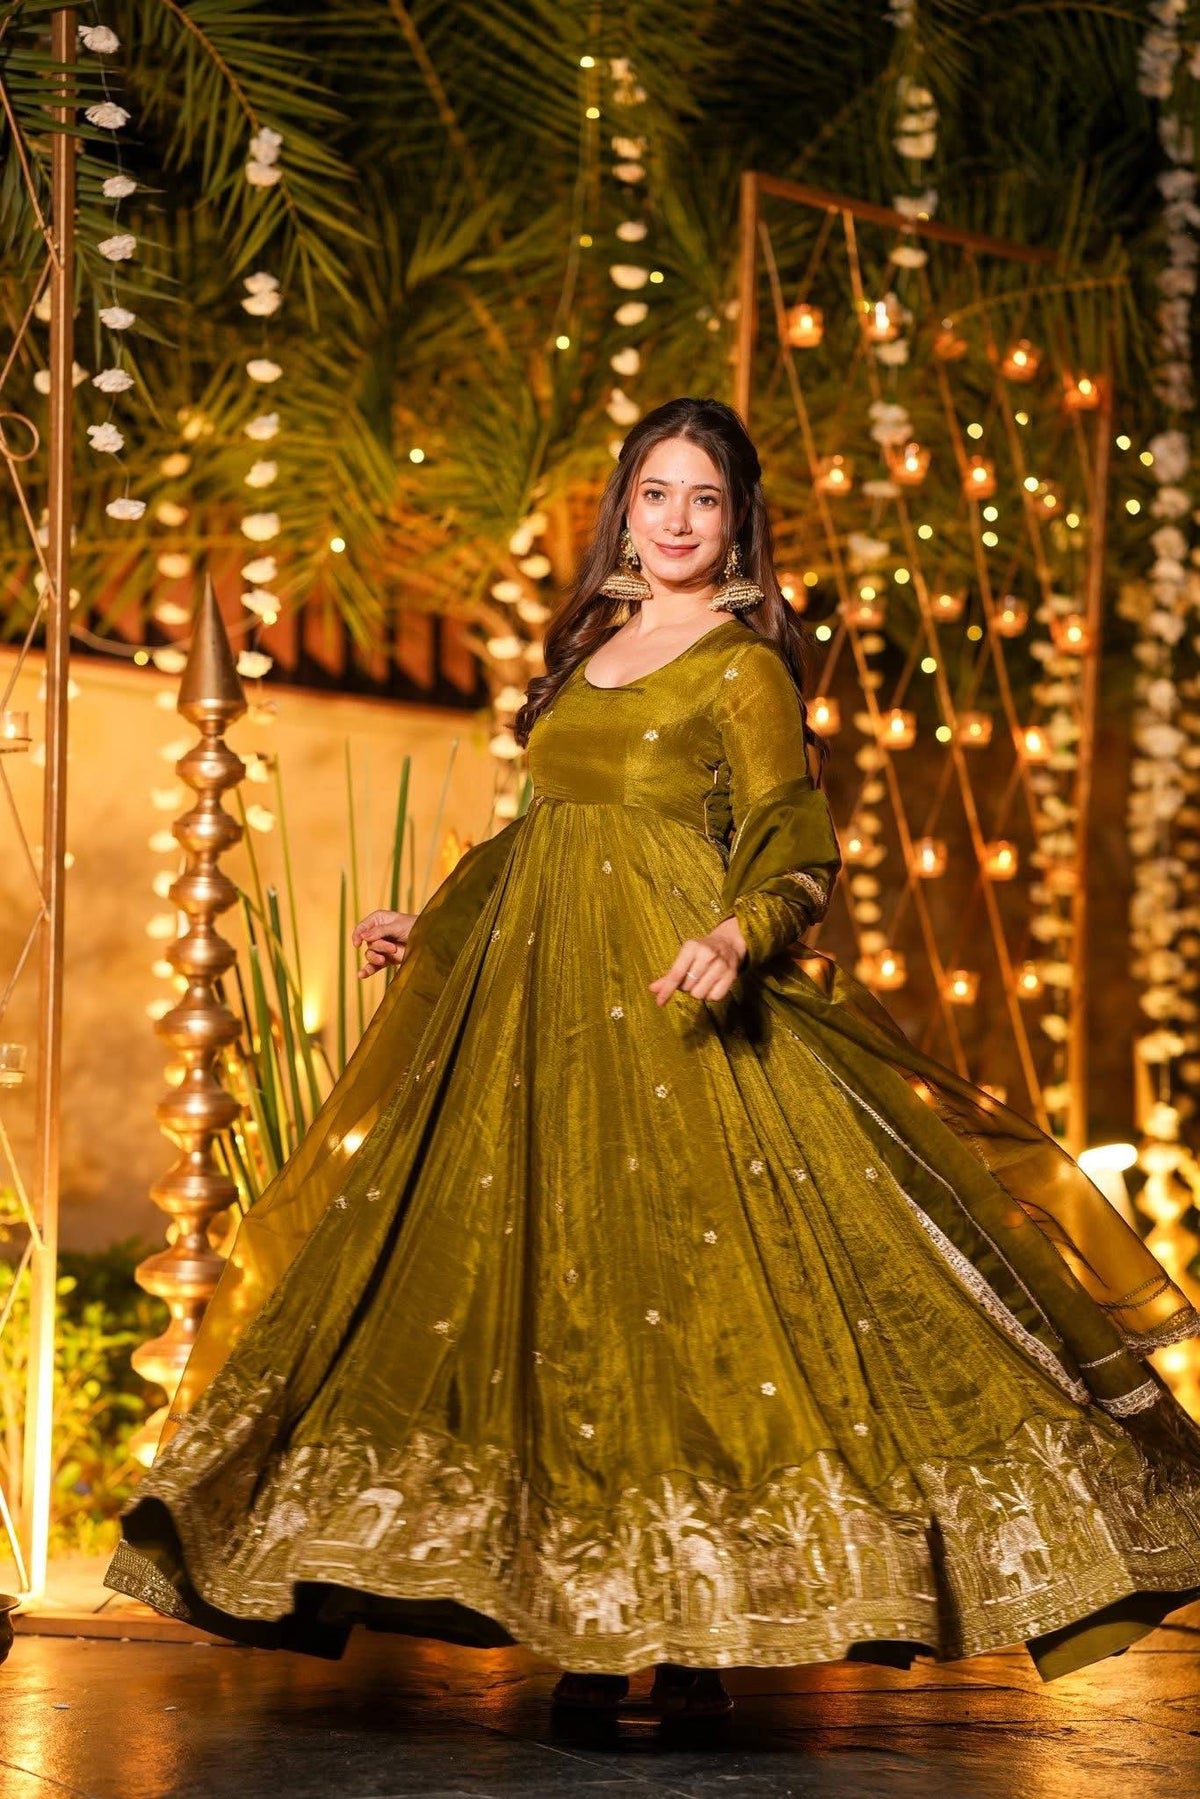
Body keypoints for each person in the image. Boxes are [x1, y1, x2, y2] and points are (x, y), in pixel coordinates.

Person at [106, 396, 1200, 1718]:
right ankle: (584, 1627)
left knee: (700, 1332)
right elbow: (541, 835)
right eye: (657, 494)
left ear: (739, 527)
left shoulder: (746, 670)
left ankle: (698, 1647)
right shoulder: (594, 652)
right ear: (626, 506)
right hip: (546, 1035)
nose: (677, 520)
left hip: (685, 1023)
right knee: (563, 1320)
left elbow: (797, 846)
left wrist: (737, 937)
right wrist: (438, 927)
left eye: (706, 500)